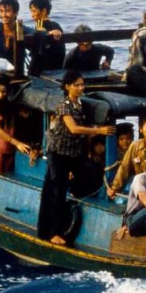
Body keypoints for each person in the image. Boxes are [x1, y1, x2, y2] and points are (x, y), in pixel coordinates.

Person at [37, 70, 116, 245]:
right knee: (55, 191)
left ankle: (75, 190)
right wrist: (99, 131)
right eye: (76, 85)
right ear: (67, 87)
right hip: (58, 153)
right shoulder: (64, 106)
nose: (80, 88)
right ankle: (51, 232)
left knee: (92, 170)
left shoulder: (80, 105)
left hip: (73, 153)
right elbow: (73, 129)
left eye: (82, 85)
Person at [0, 75, 32, 178]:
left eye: (4, 92)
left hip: (8, 147)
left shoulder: (8, 103)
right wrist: (17, 143)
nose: (0, 95)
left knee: (7, 175)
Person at [26, 0, 65, 77]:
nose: (32, 15)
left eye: (34, 11)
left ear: (43, 11)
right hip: (58, 66)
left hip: (48, 68)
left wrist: (53, 32)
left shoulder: (47, 25)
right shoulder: (51, 24)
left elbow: (54, 32)